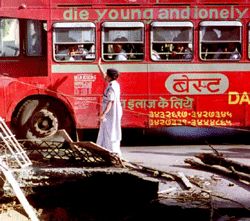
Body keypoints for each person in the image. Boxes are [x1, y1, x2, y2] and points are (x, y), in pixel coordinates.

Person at [96, 58, 123, 156]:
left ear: (110, 76)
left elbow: (110, 102)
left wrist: (103, 114)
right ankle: (106, 151)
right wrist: (99, 66)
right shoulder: (113, 83)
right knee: (106, 132)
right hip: (110, 113)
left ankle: (113, 153)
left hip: (111, 114)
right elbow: (103, 76)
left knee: (110, 133)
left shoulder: (112, 87)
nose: (105, 76)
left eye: (107, 75)